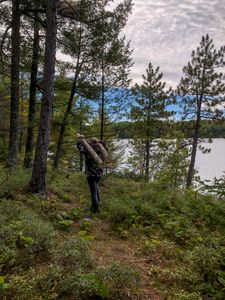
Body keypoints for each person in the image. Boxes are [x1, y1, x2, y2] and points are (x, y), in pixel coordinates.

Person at [77, 135, 108, 213]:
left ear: (90, 143)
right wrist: (101, 142)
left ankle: (95, 209)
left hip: (90, 174)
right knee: (96, 186)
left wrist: (79, 141)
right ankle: (98, 202)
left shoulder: (88, 150)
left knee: (93, 191)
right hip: (99, 173)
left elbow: (80, 148)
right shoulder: (102, 150)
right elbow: (106, 148)